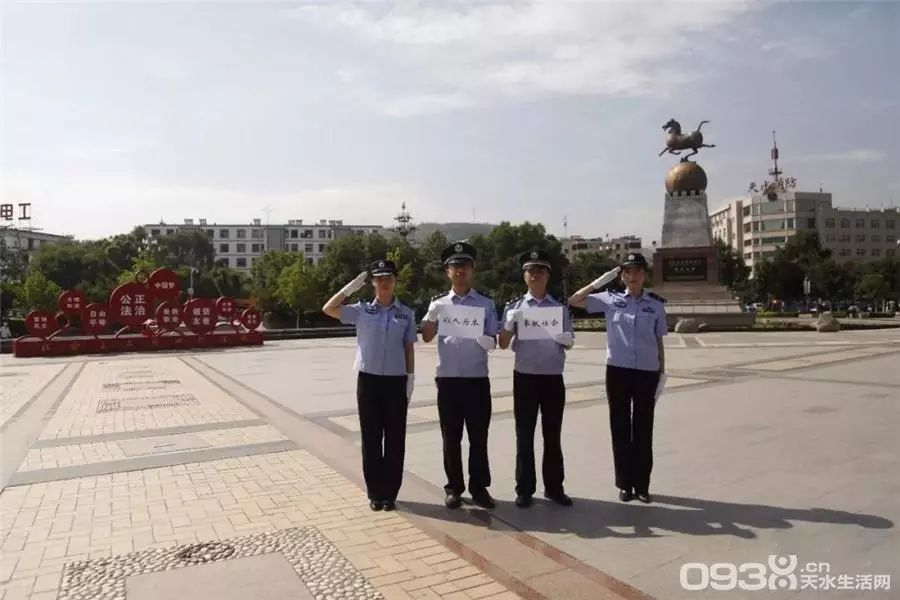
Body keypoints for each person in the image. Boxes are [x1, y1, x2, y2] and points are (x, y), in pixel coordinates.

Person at [568, 253, 667, 504]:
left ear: (644, 275)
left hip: (647, 371)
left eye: (637, 272)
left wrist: (662, 373)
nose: (632, 277)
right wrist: (602, 279)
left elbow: (658, 341)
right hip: (618, 371)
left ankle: (642, 485)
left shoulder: (655, 305)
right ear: (621, 275)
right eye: (627, 272)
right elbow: (574, 300)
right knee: (620, 427)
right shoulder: (610, 299)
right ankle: (624, 484)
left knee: (644, 429)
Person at [322, 259, 416, 512]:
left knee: (395, 440)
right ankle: (376, 493)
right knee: (371, 438)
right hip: (369, 381)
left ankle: (391, 494)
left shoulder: (405, 313)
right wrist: (349, 289)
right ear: (373, 282)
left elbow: (408, 347)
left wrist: (411, 378)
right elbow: (328, 308)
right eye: (379, 278)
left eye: (389, 278)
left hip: (396, 382)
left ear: (395, 281)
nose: (384, 282)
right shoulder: (362, 310)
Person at [421, 241, 499, 509]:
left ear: (472, 269)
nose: (460, 270)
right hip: (449, 380)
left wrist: (488, 340)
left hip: (477, 380)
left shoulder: (486, 303)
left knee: (479, 437)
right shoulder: (439, 304)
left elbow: (495, 338)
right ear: (447, 272)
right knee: (450, 436)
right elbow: (427, 337)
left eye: (464, 265)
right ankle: (454, 487)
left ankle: (479, 488)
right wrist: (431, 318)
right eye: (455, 266)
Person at [499, 250, 575, 508]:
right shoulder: (514, 307)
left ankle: (555, 487)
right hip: (525, 378)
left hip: (553, 378)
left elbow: (568, 341)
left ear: (547, 275)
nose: (535, 275)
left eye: (540, 271)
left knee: (552, 435)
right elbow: (502, 343)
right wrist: (508, 325)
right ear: (524, 276)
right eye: (531, 271)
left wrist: (568, 340)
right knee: (525, 435)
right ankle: (524, 489)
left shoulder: (558, 308)